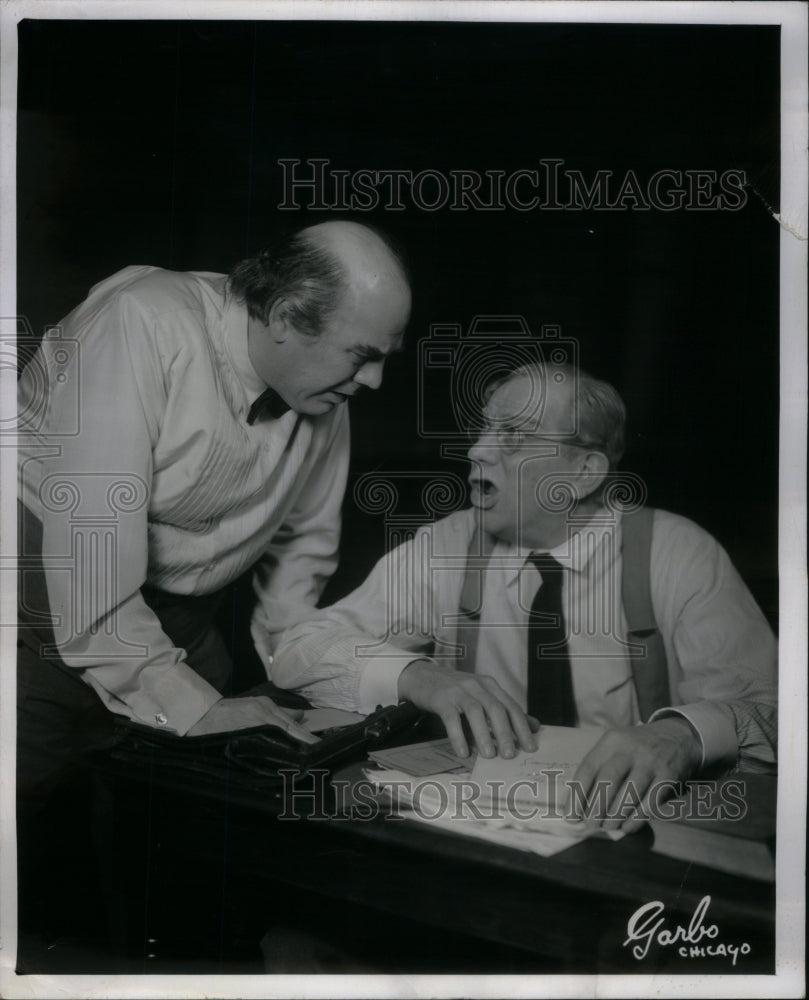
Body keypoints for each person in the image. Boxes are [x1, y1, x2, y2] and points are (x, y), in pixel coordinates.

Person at [269, 362, 777, 832]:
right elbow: (294, 649)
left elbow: (775, 712)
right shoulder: (448, 546)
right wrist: (417, 675)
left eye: (512, 436)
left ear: (583, 473)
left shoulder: (678, 553)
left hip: (630, 834)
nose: (476, 451)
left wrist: (682, 735)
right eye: (485, 429)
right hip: (480, 831)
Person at [17, 220, 411, 795]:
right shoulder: (144, 318)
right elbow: (90, 555)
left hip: (178, 629)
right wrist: (187, 704)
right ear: (283, 314)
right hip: (47, 609)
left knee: (180, 839)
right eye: (362, 355)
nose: (374, 381)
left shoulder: (323, 389)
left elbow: (299, 568)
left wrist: (323, 676)